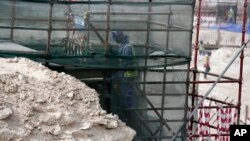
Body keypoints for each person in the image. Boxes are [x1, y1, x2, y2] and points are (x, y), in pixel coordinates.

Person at [109, 31, 138, 121]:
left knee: (126, 97)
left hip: (128, 75)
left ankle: (128, 118)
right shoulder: (122, 46)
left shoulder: (127, 48)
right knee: (124, 96)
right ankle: (125, 116)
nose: (115, 40)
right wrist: (110, 50)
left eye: (116, 38)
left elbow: (124, 64)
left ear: (120, 37)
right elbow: (118, 55)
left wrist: (115, 77)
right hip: (124, 75)